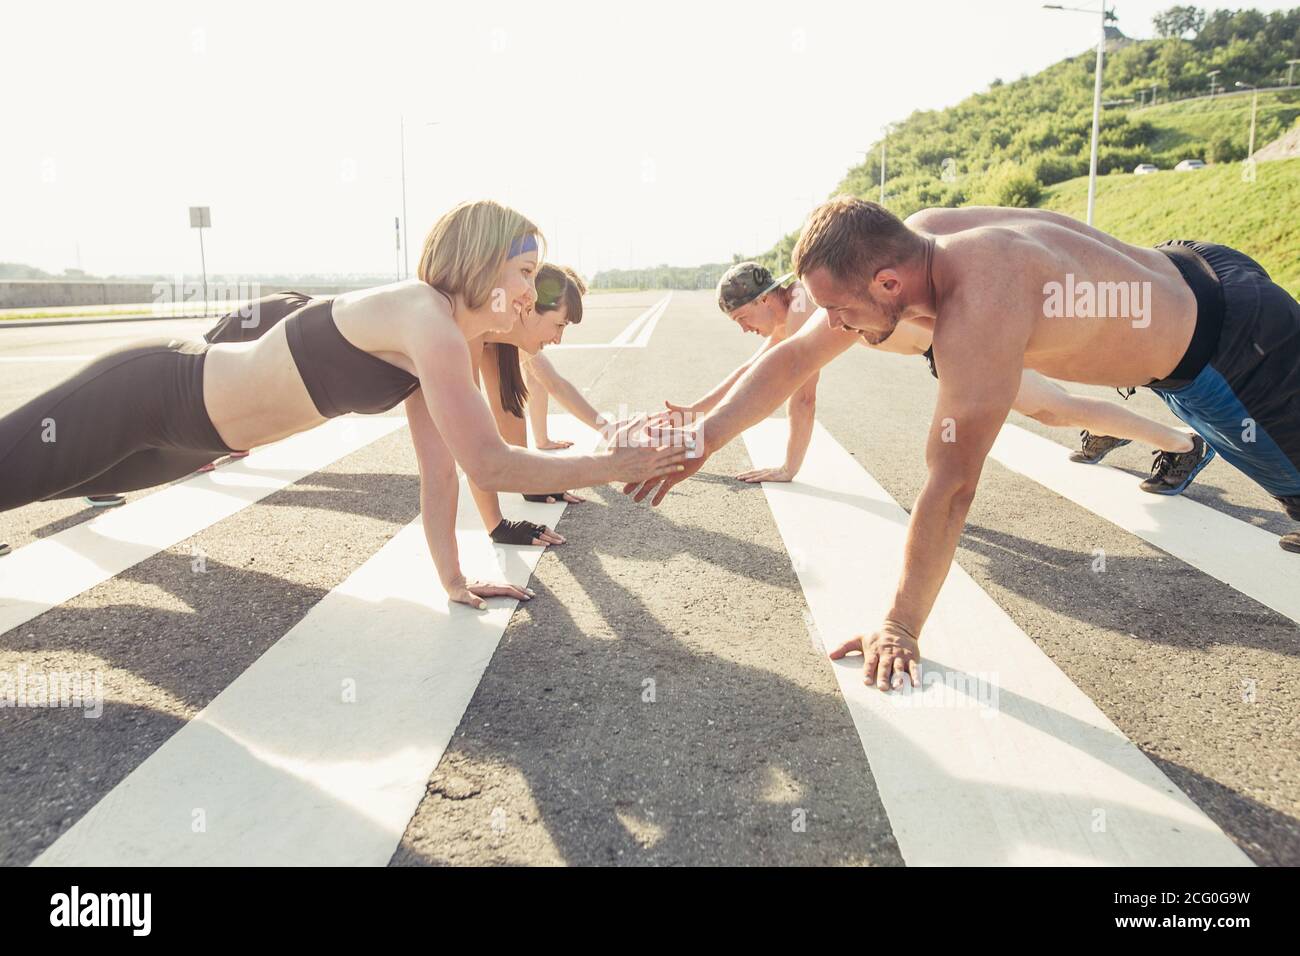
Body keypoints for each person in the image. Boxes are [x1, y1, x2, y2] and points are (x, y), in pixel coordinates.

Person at [630, 198, 1300, 690]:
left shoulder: (977, 310)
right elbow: (791, 360)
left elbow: (951, 486)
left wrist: (899, 624)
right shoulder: (916, 239)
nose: (830, 326)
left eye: (839, 311)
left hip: (1234, 353)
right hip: (1199, 269)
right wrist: (705, 438)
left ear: (886, 284)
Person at [0, 200, 688, 608]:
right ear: (480, 263)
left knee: (40, 489)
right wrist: (613, 459)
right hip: (147, 394)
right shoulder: (426, 319)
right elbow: (493, 461)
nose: (534, 295)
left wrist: (453, 578)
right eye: (527, 274)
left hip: (186, 445)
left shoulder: (439, 344)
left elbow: (447, 467)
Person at [665, 261, 1210, 493]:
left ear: (766, 299)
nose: (746, 331)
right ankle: (1133, 434)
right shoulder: (801, 305)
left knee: (1055, 409)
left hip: (964, 343)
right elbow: (756, 367)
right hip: (949, 346)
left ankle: (1185, 443)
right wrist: (696, 409)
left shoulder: (813, 305)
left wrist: (788, 466)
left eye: (743, 320)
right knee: (1054, 406)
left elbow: (798, 396)